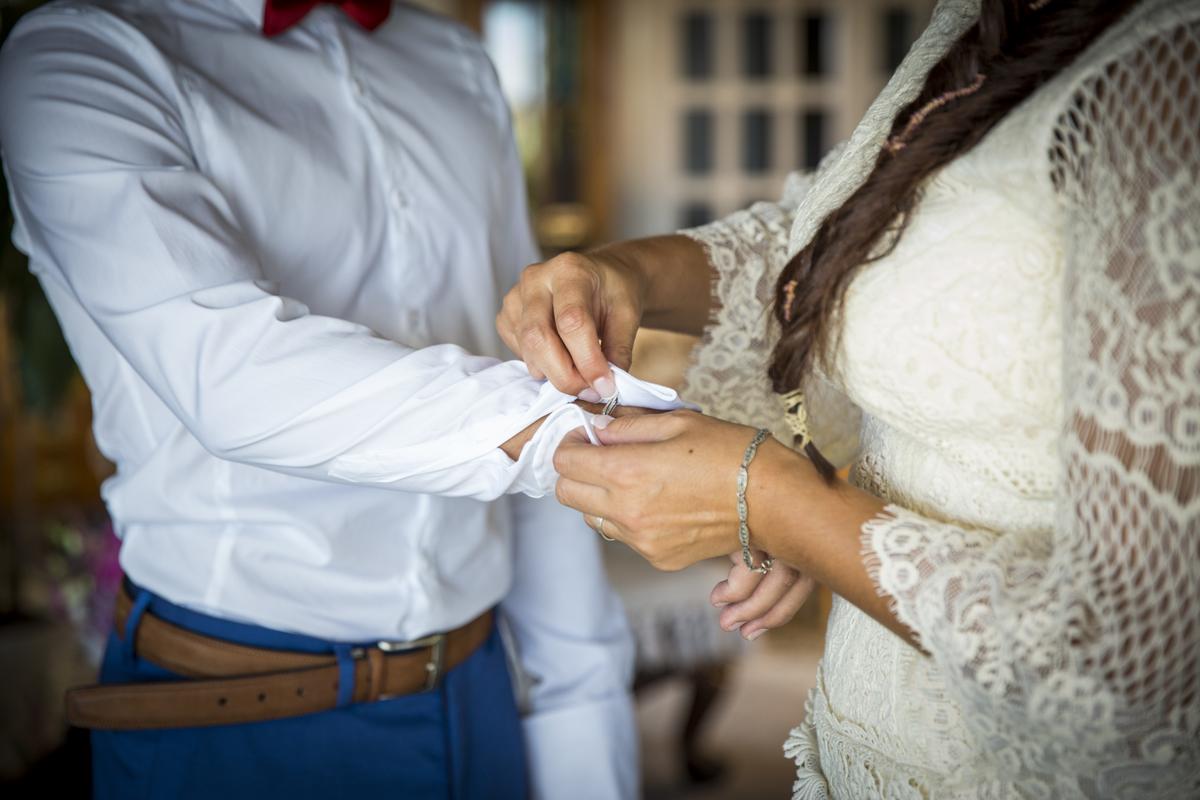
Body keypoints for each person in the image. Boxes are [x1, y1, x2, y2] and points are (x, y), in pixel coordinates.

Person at [497, 0, 1200, 796]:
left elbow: (1134, 662)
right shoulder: (969, 20)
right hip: (862, 734)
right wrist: (627, 272)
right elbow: (844, 238)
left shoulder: (1171, 69)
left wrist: (777, 501)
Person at [0, 1, 692, 797]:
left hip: (478, 696)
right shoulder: (81, 55)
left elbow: (536, 372)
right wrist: (580, 433)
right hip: (231, 717)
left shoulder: (455, 60)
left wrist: (583, 726)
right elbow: (234, 376)